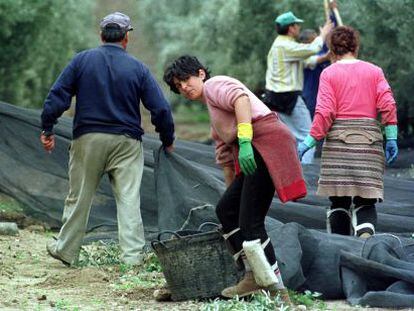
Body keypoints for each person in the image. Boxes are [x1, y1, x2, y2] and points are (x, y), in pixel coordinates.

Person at [163, 55, 307, 303]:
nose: (184, 88)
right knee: (227, 211)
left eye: (185, 80)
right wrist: (233, 197)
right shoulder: (214, 116)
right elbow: (226, 160)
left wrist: (244, 139)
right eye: (178, 86)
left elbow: (239, 98)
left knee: (251, 223)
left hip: (266, 143)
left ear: (200, 74)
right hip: (255, 147)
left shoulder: (215, 85)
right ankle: (252, 274)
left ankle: (279, 292)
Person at [40, 12, 175, 266]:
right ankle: (132, 258)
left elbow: (57, 96)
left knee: (79, 196)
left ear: (101, 36)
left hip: (88, 139)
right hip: (127, 143)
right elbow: (160, 109)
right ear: (126, 38)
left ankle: (66, 250)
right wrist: (167, 138)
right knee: (128, 199)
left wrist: (48, 128)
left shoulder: (81, 61)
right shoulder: (138, 68)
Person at [298, 26, 398, 238]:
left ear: (332, 49)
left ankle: (341, 247)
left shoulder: (329, 73)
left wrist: (309, 141)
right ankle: (365, 240)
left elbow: (325, 111)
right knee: (366, 201)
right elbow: (388, 105)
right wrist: (391, 138)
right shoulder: (375, 71)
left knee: (339, 200)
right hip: (368, 143)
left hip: (338, 145)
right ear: (356, 46)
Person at [263, 11, 332, 164]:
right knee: (309, 135)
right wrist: (324, 34)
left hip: (275, 97)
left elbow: (306, 61)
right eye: (297, 25)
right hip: (288, 97)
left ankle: (292, 172)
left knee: (291, 136)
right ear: (291, 28)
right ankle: (305, 174)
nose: (299, 28)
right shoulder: (285, 46)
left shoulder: (280, 45)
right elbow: (312, 50)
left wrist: (325, 58)